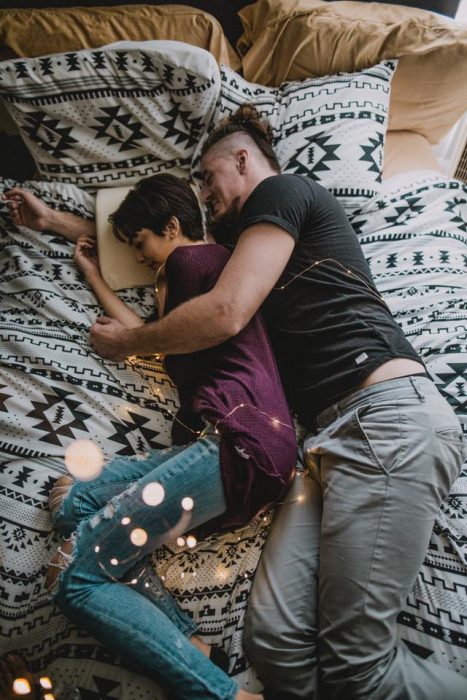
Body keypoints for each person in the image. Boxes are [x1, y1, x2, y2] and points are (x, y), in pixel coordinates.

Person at [4, 104, 466, 699]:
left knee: (359, 667)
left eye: (208, 177)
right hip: (315, 447)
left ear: (243, 160)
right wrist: (55, 225)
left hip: (382, 413)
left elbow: (225, 311)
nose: (204, 192)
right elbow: (155, 242)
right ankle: (202, 653)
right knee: (275, 646)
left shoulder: (284, 192)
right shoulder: (229, 248)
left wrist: (129, 342)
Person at [4, 174, 297, 700]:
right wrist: (91, 273)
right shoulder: (193, 278)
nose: (139, 260)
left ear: (173, 225)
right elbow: (153, 338)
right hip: (234, 447)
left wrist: (84, 252)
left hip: (238, 440)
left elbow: (154, 335)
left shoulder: (192, 260)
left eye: (142, 244)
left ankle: (221, 694)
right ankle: (194, 645)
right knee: (72, 502)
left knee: (71, 577)